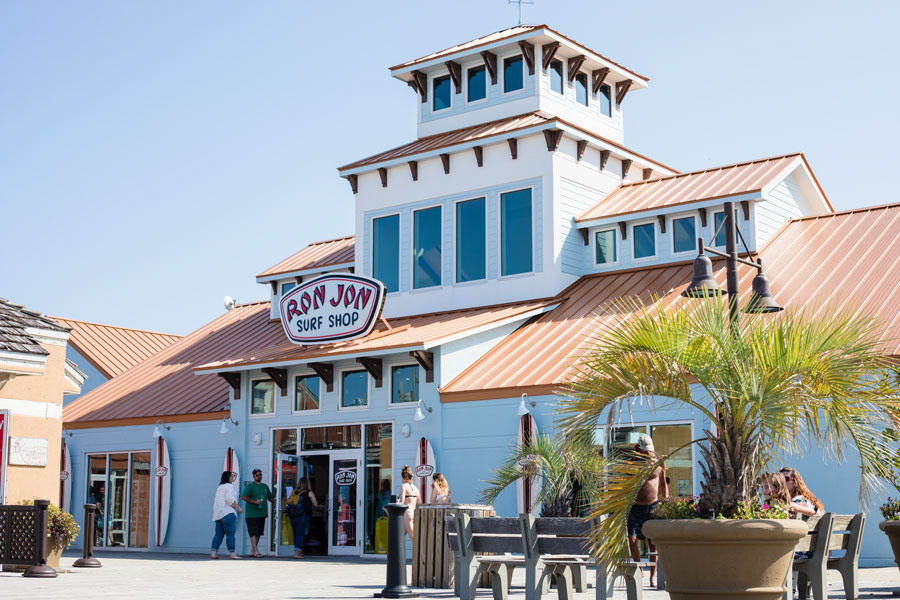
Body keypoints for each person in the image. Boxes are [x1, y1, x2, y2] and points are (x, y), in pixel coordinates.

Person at [626, 434, 667, 588]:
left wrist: (666, 500)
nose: (649, 454)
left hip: (653, 507)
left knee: (652, 544)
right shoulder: (632, 464)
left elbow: (663, 484)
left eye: (650, 450)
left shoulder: (659, 463)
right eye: (646, 451)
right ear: (638, 449)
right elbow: (626, 486)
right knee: (632, 540)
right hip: (635, 507)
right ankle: (638, 568)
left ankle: (653, 576)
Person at [241, 468, 274, 557]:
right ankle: (256, 551)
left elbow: (270, 498)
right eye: (257, 475)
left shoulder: (265, 486)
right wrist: (254, 501)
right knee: (253, 532)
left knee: (258, 533)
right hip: (251, 514)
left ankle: (253, 551)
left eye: (260, 474)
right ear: (253, 476)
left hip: (262, 514)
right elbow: (244, 497)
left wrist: (279, 501)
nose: (259, 476)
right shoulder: (250, 486)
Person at [211, 471, 243, 559]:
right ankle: (232, 554)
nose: (232, 478)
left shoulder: (220, 487)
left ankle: (214, 553)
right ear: (227, 478)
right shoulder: (229, 486)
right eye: (231, 476)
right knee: (230, 535)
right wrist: (238, 508)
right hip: (228, 513)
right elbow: (229, 499)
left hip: (218, 515)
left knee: (218, 535)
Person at [286, 476, 318, 559]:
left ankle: (299, 551)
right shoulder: (309, 492)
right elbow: (315, 504)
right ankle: (297, 554)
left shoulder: (294, 492)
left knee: (296, 534)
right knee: (300, 534)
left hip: (292, 516)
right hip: (303, 516)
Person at [400, 465, 420, 540]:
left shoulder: (404, 486)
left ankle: (419, 551)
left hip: (407, 512)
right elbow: (420, 502)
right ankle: (394, 551)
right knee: (400, 535)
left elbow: (402, 502)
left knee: (413, 537)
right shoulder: (415, 488)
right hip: (414, 512)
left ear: (403, 478)